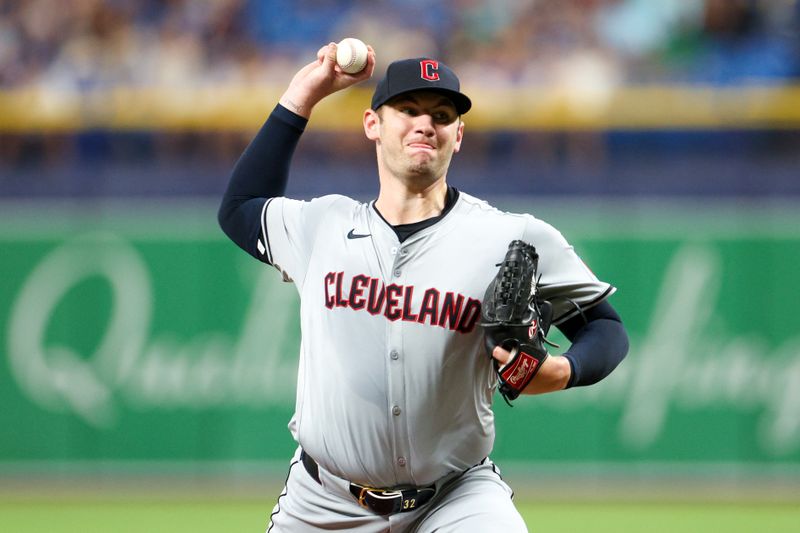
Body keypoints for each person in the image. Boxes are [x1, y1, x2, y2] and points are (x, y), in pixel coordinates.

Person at [218, 42, 629, 533]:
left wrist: (561, 370)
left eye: (440, 114)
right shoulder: (321, 225)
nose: (424, 123)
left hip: (455, 496)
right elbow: (240, 207)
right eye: (407, 109)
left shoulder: (511, 236)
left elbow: (605, 328)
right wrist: (302, 95)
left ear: (458, 134)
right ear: (373, 124)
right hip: (323, 502)